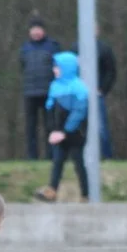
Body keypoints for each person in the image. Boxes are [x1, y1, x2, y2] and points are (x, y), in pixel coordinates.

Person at [33, 52, 89, 203]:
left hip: (75, 133)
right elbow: (50, 109)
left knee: (78, 162)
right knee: (57, 161)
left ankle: (85, 194)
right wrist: (52, 130)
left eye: (57, 67)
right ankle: (52, 190)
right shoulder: (54, 86)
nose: (54, 69)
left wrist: (65, 132)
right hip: (59, 133)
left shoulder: (79, 88)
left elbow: (79, 112)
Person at [70, 24, 117, 160]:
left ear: (98, 31)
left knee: (101, 128)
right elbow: (69, 70)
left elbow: (111, 71)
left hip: (96, 96)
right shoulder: (75, 48)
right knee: (78, 127)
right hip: (79, 96)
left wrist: (102, 89)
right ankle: (80, 158)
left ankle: (107, 157)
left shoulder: (104, 49)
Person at [20, 17, 62, 160]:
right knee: (31, 127)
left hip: (49, 92)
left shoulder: (53, 46)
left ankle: (51, 155)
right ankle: (32, 156)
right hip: (30, 93)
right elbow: (22, 66)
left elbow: (59, 69)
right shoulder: (25, 48)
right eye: (33, 29)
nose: (36, 32)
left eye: (39, 29)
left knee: (50, 126)